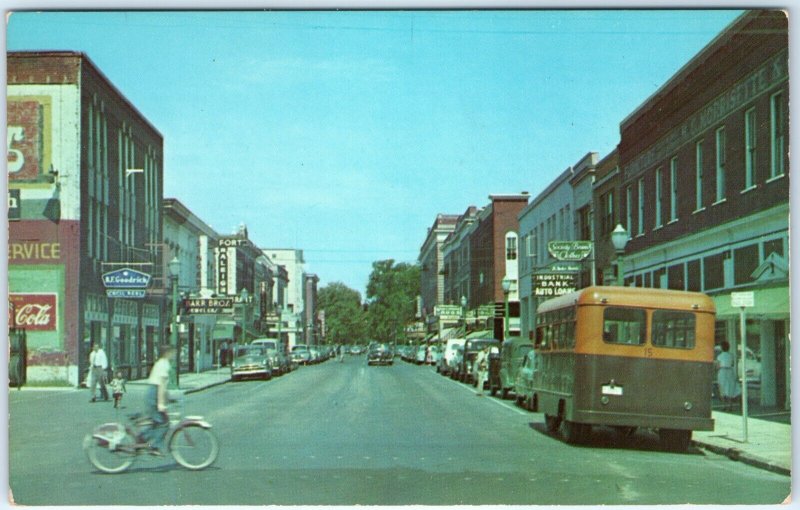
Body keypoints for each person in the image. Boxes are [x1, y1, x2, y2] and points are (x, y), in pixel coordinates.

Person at [139, 344, 175, 455]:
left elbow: (163, 387)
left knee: (157, 422)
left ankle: (143, 441)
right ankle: (152, 445)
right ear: (167, 353)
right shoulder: (164, 364)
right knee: (163, 423)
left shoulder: (161, 363)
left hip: (153, 393)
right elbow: (161, 385)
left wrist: (168, 398)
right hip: (154, 394)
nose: (174, 355)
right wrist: (160, 403)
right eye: (173, 352)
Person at [715, 341, 741, 409]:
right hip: (729, 371)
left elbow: (717, 366)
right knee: (729, 388)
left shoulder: (719, 356)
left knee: (722, 389)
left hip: (722, 371)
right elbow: (732, 364)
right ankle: (730, 405)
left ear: (721, 348)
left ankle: (724, 405)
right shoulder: (731, 355)